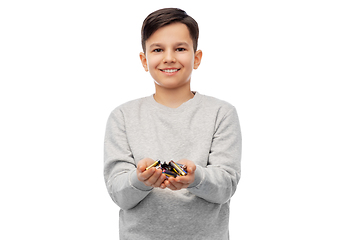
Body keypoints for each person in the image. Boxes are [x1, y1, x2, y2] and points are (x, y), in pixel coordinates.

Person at [104, 8, 242, 240]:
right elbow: (119, 194)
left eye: (180, 48)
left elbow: (225, 187)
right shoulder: (123, 116)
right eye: (158, 49)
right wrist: (139, 180)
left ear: (196, 58)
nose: (169, 57)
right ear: (144, 60)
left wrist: (196, 177)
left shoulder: (222, 113)